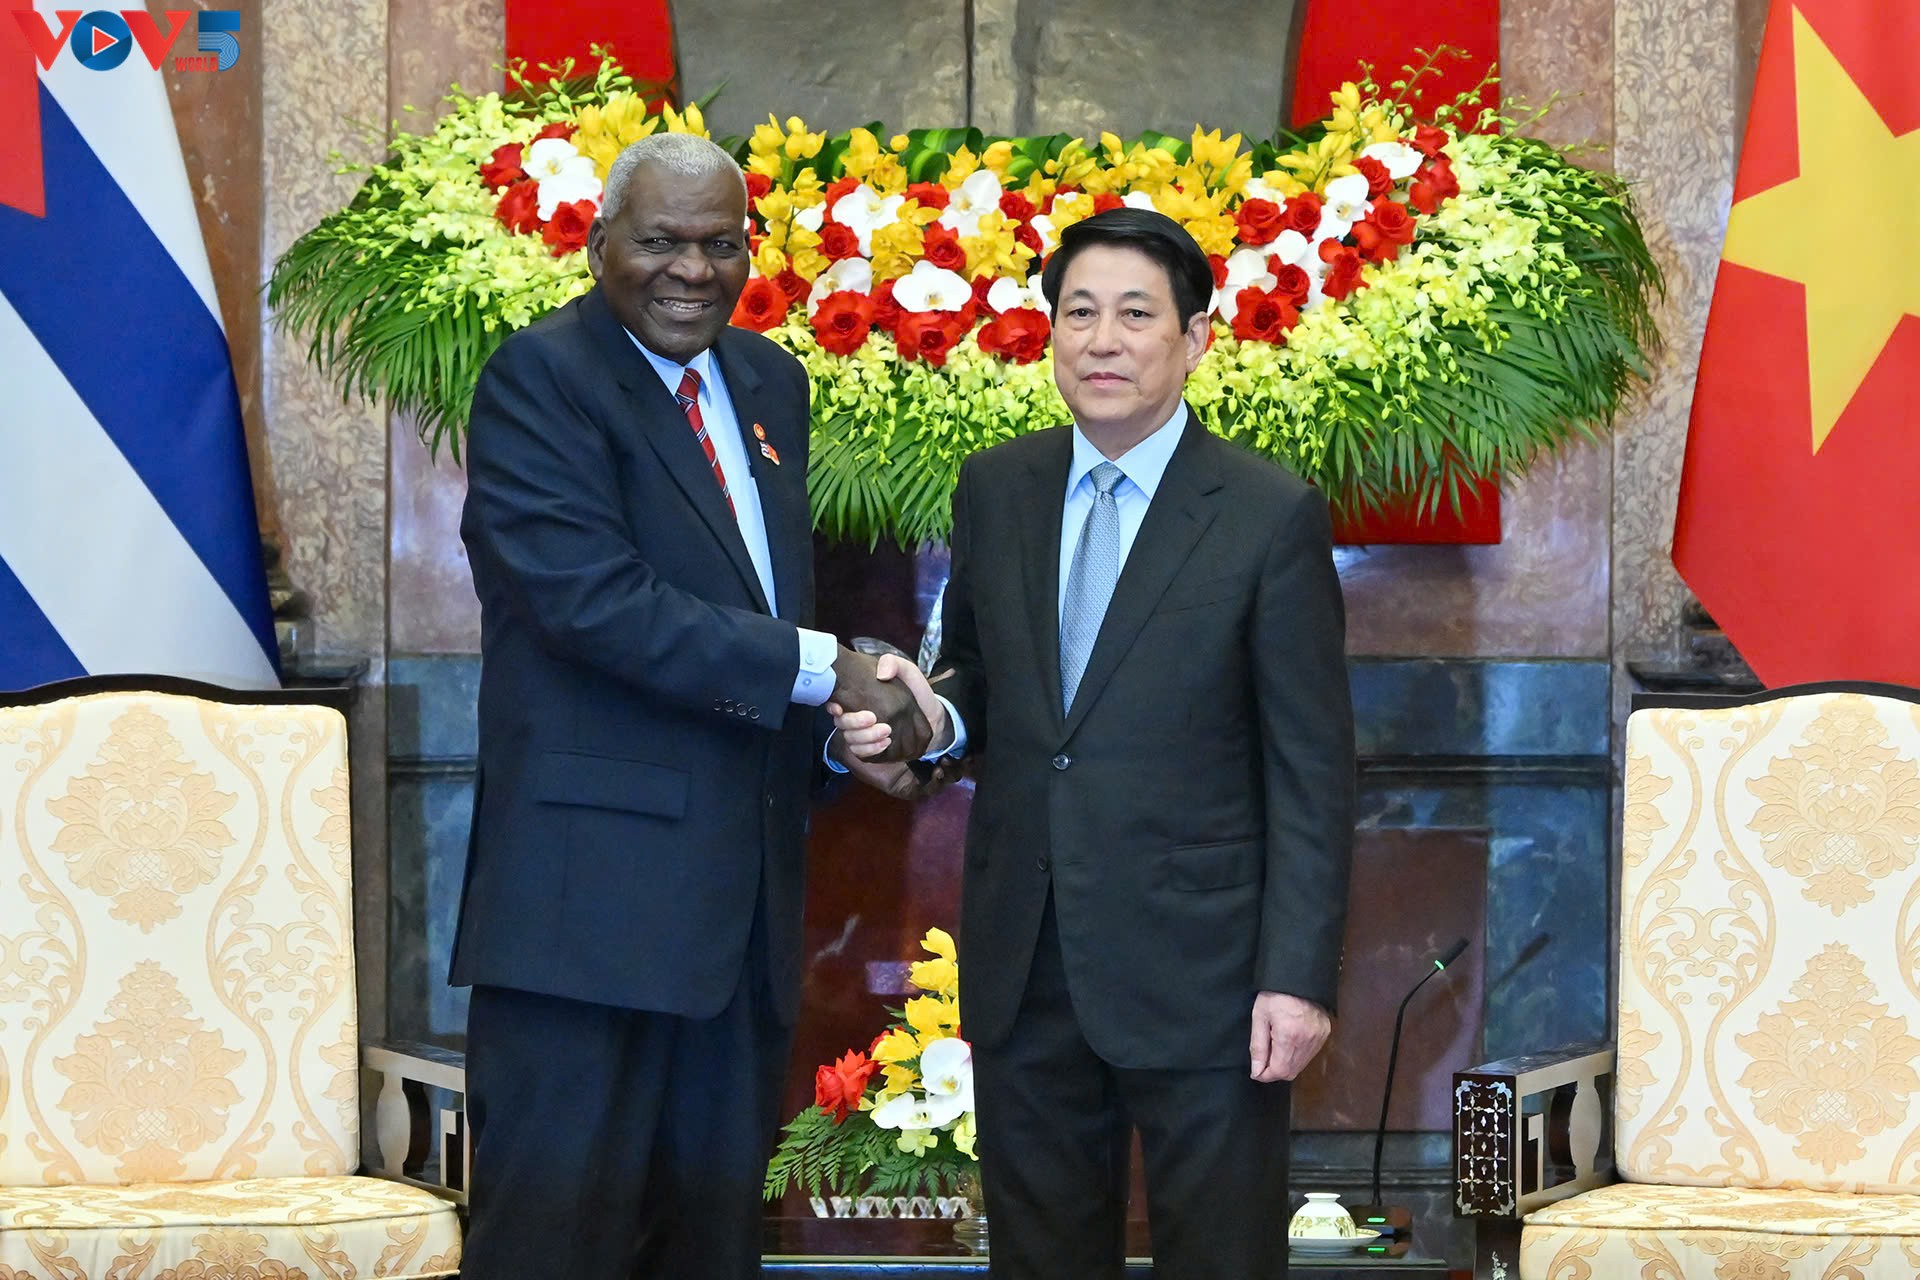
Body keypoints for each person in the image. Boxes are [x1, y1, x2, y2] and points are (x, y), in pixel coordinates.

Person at [839, 207, 1356, 1279]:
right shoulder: (1000, 487)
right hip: (1027, 961)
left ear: (1195, 338)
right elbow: (979, 674)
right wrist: (929, 720)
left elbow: (1312, 767)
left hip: (1208, 976)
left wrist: (1297, 978)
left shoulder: (1266, 512)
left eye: (1134, 315)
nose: (1103, 341)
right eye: (1079, 314)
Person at [451, 132, 927, 1280]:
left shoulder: (768, 381)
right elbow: (595, 603)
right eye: (662, 241)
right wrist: (825, 666)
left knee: (708, 1252)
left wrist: (840, 733)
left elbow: (755, 602)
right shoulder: (540, 379)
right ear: (599, 242)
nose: (692, 270)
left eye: (719, 244)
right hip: (585, 927)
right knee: (552, 1251)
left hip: (737, 929)